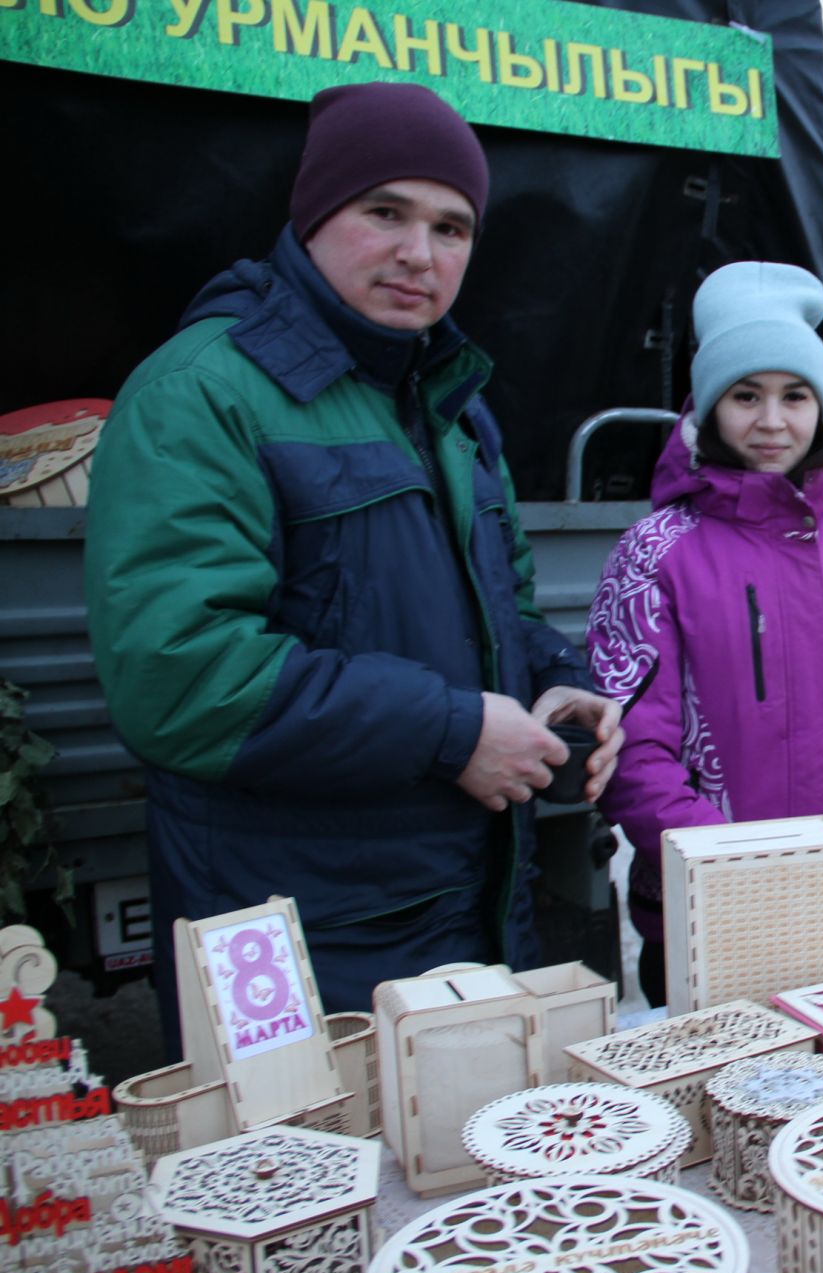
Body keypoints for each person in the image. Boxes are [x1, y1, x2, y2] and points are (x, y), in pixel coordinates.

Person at [83, 82, 623, 1031]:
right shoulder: (202, 394)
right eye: (386, 213)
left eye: (452, 227)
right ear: (315, 213)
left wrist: (562, 682)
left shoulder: (454, 406)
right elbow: (181, 681)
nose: (420, 254)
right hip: (294, 938)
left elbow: (508, 613)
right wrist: (453, 732)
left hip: (469, 912)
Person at [586, 261, 823, 1005]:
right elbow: (631, 751)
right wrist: (753, 883)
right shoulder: (655, 551)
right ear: (709, 404)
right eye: (745, 395)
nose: (773, 421)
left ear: (822, 405)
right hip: (703, 919)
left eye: (796, 395)